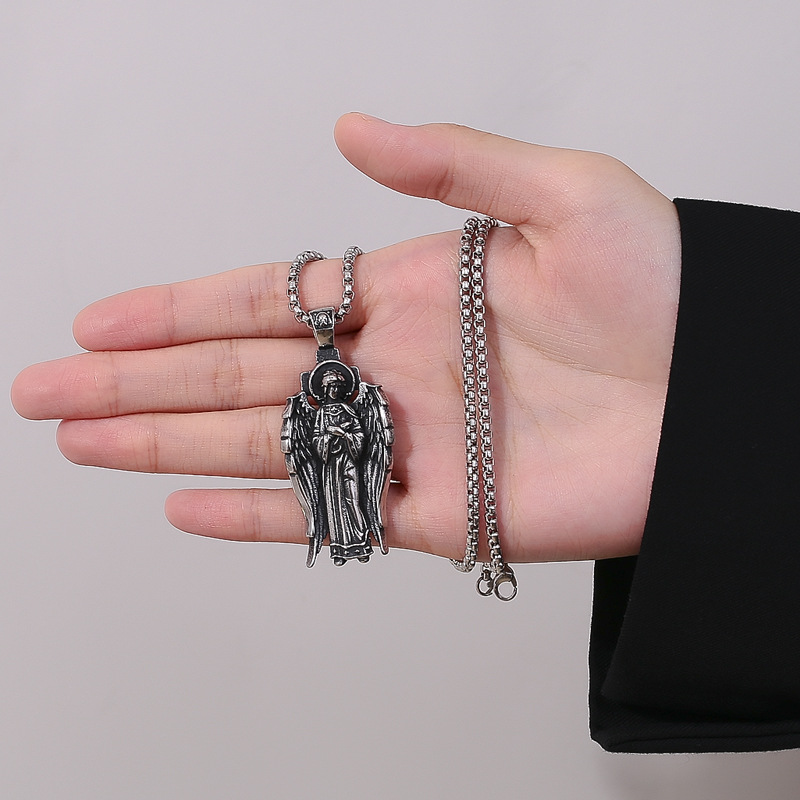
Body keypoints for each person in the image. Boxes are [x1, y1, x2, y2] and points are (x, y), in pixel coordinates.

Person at [11, 113, 800, 753]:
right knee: (334, 499)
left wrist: (712, 351)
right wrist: (727, 369)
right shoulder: (315, 409)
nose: (331, 388)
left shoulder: (360, 405)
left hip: (358, 470)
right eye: (326, 388)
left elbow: (369, 443)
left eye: (335, 386)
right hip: (335, 471)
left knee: (352, 499)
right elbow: (313, 450)